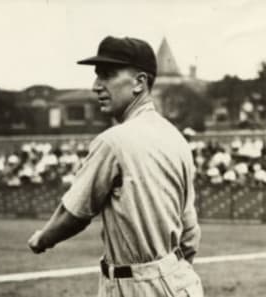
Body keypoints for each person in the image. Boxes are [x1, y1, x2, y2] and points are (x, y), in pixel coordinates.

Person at [27, 36, 203, 297]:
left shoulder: (113, 141)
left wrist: (43, 238)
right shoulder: (175, 137)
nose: (96, 86)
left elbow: (74, 214)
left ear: (139, 82)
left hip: (137, 284)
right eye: (97, 76)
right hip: (180, 279)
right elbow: (190, 232)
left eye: (107, 75)